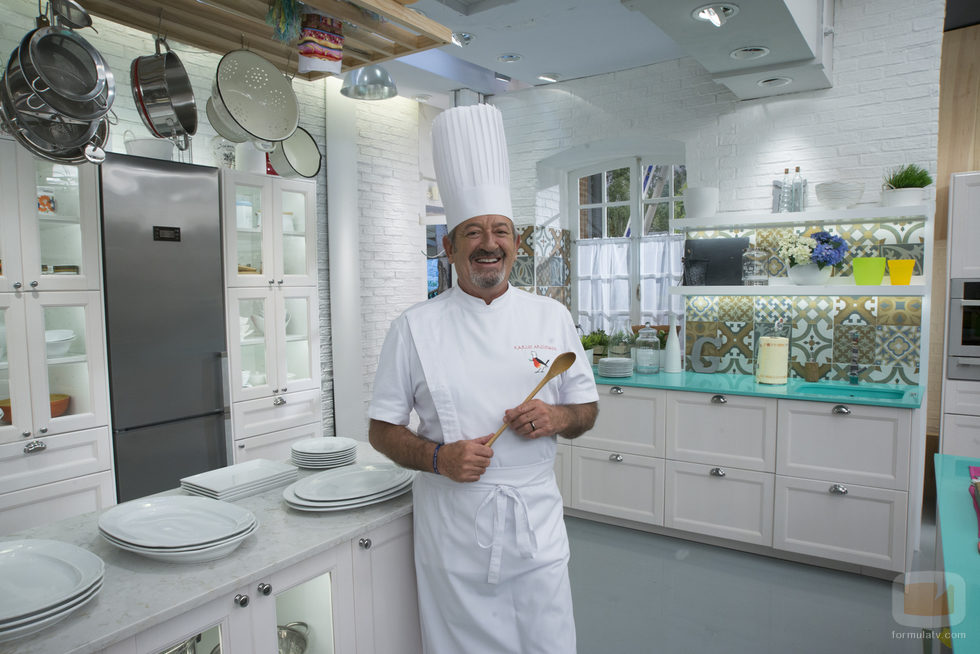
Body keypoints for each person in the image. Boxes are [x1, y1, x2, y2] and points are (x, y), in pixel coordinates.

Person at [368, 103, 599, 654]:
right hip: (454, 531)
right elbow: (381, 429)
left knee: (548, 642)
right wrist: (436, 458)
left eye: (500, 231)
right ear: (448, 248)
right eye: (472, 232)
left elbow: (585, 410)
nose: (488, 243)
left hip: (536, 525)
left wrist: (557, 416)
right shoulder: (414, 327)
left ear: (517, 244)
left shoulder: (552, 317)